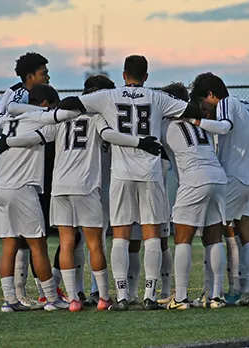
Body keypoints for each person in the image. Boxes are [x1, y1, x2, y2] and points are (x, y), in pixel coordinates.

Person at [0, 75, 162, 312]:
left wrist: (8, 142)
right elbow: (108, 136)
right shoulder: (97, 117)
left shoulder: (61, 116)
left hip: (59, 188)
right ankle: (104, 296)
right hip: (86, 186)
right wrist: (139, 142)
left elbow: (38, 138)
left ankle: (74, 299)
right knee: (95, 243)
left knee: (66, 243)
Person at [57, 55, 205, 310]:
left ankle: (123, 296)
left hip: (122, 173)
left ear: (124, 75)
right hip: (150, 172)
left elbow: (72, 102)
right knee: (151, 235)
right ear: (146, 76)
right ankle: (150, 295)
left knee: (121, 236)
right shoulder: (157, 97)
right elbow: (191, 110)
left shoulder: (110, 96)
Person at [0, 84, 79, 312]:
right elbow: (67, 114)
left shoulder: (9, 121)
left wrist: (8, 93)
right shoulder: (40, 118)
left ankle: (9, 300)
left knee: (9, 246)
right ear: (44, 104)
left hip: (0, 188)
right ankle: (52, 298)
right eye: (51, 106)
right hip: (22, 187)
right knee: (37, 245)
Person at [188, 72, 249, 307]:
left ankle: (214, 292)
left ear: (211, 95)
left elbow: (224, 127)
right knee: (248, 235)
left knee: (212, 230)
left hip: (235, 174)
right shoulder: (247, 105)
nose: (203, 109)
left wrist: (195, 121)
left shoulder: (226, 103)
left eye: (203, 103)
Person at [0, 52, 50, 308]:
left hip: (11, 173)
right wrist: (35, 115)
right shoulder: (17, 94)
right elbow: (1, 118)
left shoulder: (28, 95)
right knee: (30, 240)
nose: (48, 76)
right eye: (44, 72)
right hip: (16, 171)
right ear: (30, 76)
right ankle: (34, 295)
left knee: (15, 240)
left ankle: (14, 297)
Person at [158, 83, 228, 310]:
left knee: (182, 239)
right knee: (214, 238)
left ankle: (180, 298)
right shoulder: (201, 123)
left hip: (194, 178)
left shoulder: (165, 125)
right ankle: (216, 296)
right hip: (218, 176)